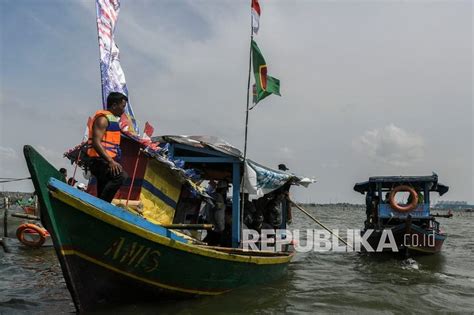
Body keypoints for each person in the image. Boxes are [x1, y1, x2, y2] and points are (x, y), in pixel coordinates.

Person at [87, 92, 128, 202]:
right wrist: (110, 161)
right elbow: (96, 142)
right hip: (98, 161)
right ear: (114, 105)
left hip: (104, 161)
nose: (124, 110)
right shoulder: (103, 119)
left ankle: (98, 209)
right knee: (121, 176)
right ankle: (102, 205)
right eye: (122, 106)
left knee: (103, 187)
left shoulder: (112, 120)